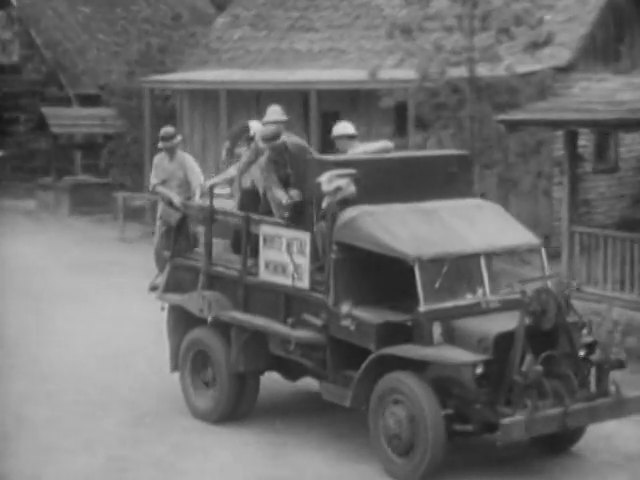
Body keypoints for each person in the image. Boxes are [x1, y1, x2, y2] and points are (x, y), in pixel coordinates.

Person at [234, 104, 315, 228]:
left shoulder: (298, 147)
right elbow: (272, 184)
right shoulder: (264, 158)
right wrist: (284, 200)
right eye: (270, 123)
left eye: (277, 123)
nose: (270, 152)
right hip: (279, 200)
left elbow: (312, 168)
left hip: (303, 195)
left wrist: (297, 192)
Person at [148, 125, 204, 289]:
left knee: (186, 243)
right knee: (160, 244)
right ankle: (162, 273)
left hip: (184, 206)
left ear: (177, 145)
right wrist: (171, 195)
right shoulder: (158, 160)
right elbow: (154, 185)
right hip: (166, 205)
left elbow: (197, 182)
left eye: (171, 147)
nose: (169, 150)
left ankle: (185, 276)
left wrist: (196, 199)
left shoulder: (186, 160)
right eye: (166, 147)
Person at [330, 120, 395, 155]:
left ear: (342, 139)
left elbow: (388, 145)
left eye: (335, 140)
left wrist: (353, 153)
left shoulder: (360, 150)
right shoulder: (346, 154)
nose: (336, 145)